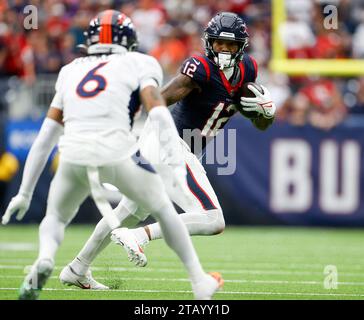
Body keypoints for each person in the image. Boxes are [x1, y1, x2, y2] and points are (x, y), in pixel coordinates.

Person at [1, 10, 223, 300]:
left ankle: (54, 260)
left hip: (72, 155)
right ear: (129, 39)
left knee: (57, 217)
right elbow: (159, 113)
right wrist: (176, 160)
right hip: (116, 154)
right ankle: (198, 280)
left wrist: (25, 192)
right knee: (166, 211)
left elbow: (45, 136)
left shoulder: (71, 69)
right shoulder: (141, 62)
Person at [57, 12, 277, 290]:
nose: (224, 49)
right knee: (213, 219)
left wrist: (266, 113)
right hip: (170, 144)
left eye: (230, 45)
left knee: (127, 210)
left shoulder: (248, 70)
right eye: (219, 43)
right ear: (210, 43)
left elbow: (261, 125)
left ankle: (77, 268)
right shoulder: (200, 68)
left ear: (241, 47)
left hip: (175, 147)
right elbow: (158, 99)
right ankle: (140, 237)